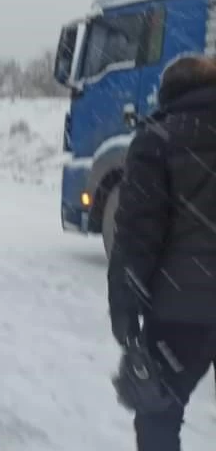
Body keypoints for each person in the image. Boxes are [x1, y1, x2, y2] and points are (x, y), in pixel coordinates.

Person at [108, 53, 216, 450]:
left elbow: (136, 235)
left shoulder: (157, 139)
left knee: (158, 417)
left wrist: (124, 308)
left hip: (179, 317)